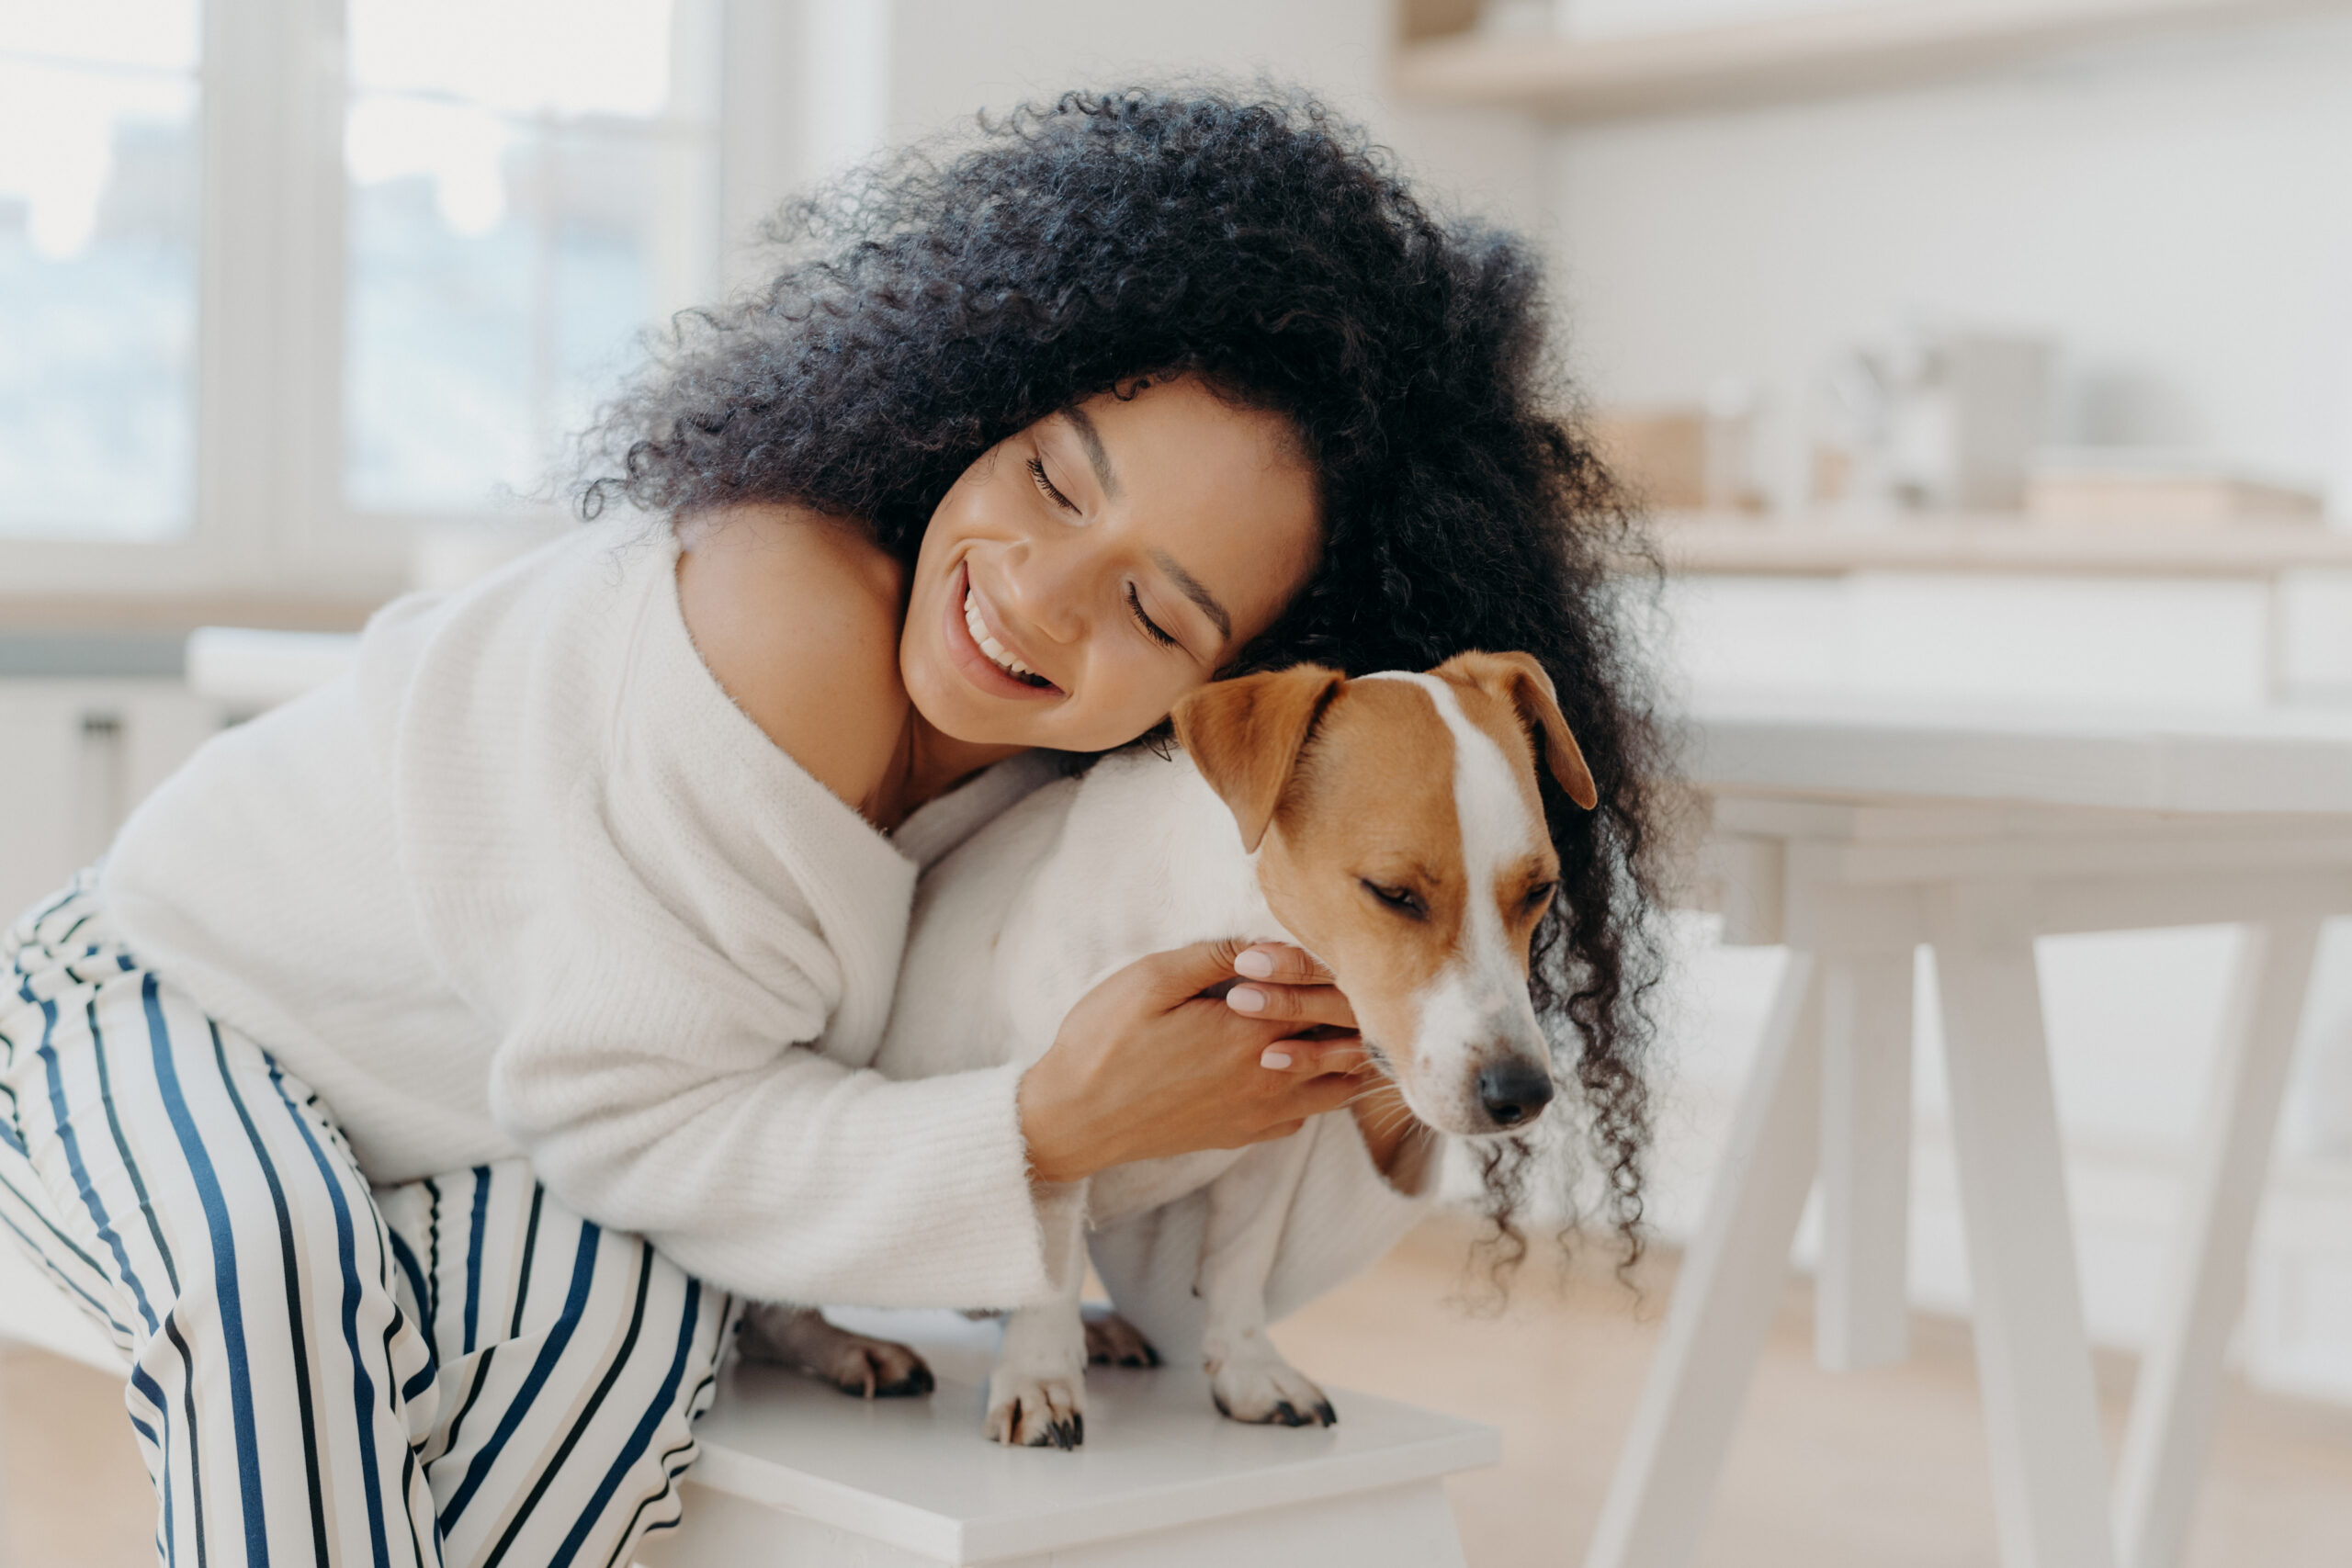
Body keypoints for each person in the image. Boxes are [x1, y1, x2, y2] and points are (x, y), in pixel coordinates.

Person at [0, 87, 1665, 1568]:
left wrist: (1385, 1053)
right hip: (159, 1001)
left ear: (1238, 693)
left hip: (482, 1121)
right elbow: (644, 1124)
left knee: (620, 1345)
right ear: (983, 388)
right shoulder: (784, 608)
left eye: (1157, 610)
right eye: (1051, 478)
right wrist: (1044, 1123)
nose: (1036, 591)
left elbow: (1190, 1282)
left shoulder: (1109, 796)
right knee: (275, 1273)